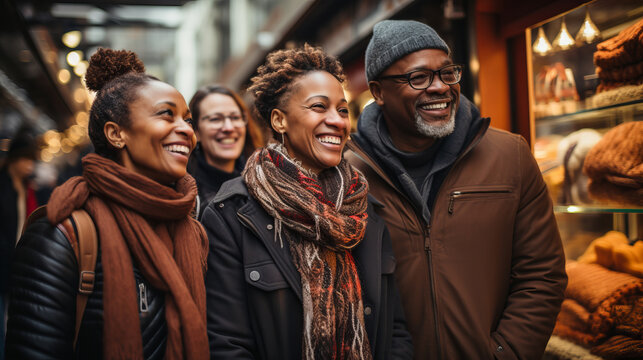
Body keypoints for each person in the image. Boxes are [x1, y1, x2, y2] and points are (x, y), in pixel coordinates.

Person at [344, 20, 568, 359]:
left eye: (448, 73)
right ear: (378, 92)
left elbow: (542, 275)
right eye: (418, 78)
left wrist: (505, 353)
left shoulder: (510, 156)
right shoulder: (348, 176)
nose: (439, 87)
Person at [202, 44, 413, 359]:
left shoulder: (363, 207)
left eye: (342, 109)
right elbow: (226, 344)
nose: (338, 121)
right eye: (319, 107)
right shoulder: (232, 213)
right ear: (279, 121)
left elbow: (395, 331)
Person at [5, 48, 209, 359]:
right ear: (116, 134)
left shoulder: (193, 230)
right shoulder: (61, 236)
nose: (186, 130)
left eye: (188, 119)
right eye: (166, 114)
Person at [187, 85, 264, 219]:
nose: (228, 127)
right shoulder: (186, 195)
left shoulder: (264, 182)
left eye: (235, 117)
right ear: (196, 131)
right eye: (215, 119)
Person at [0, 129, 38, 360]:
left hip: (17, 263)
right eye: (25, 159)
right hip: (3, 261)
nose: (29, 166)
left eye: (32, 160)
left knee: (10, 319)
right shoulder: (3, 187)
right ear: (14, 158)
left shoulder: (26, 188)